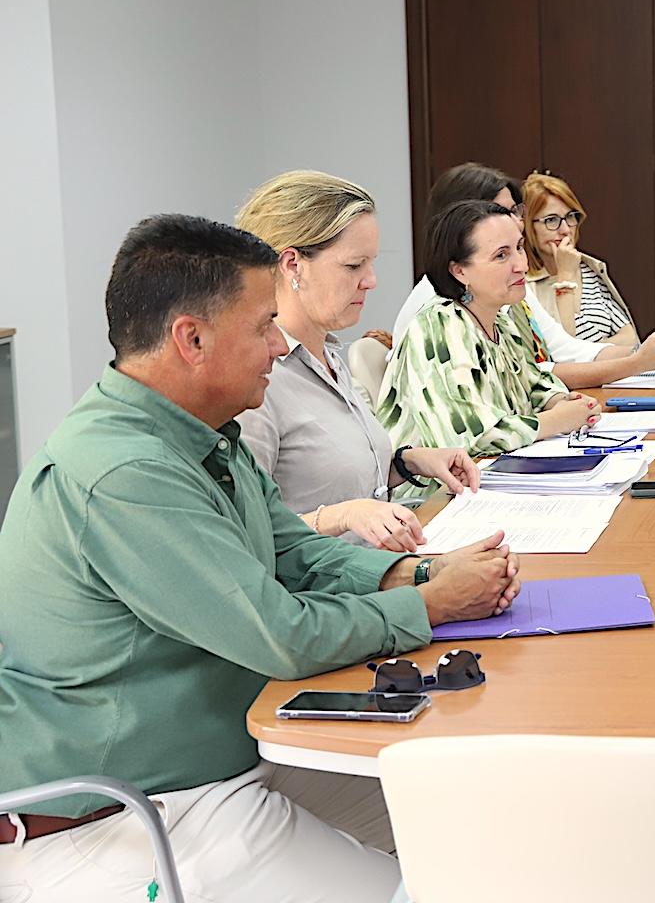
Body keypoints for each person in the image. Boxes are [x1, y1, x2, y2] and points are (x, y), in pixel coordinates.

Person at [0, 214, 523, 902]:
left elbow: (295, 551)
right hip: (122, 819)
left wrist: (418, 571)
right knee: (426, 888)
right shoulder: (122, 472)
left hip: (225, 768)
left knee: (470, 827)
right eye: (262, 327)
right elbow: (281, 635)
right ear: (192, 339)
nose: (280, 345)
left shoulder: (202, 434)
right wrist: (433, 602)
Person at [234, 170, 479, 551]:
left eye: (371, 263)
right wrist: (342, 516)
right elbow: (244, 532)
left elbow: (330, 476)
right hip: (326, 596)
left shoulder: (328, 352)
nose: (371, 280)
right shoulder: (257, 381)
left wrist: (408, 462)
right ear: (292, 264)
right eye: (354, 266)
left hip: (374, 570)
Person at [377, 200, 607, 492]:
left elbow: (534, 384)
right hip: (429, 502)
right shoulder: (439, 327)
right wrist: (557, 420)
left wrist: (563, 402)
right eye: (501, 255)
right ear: (459, 271)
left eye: (519, 248)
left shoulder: (501, 319)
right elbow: (469, 440)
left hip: (496, 480)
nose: (521, 265)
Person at [393, 162, 655, 389]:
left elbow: (562, 351)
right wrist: (637, 363)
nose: (515, 224)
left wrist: (651, 353)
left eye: (515, 212)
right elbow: (527, 383)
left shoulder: (507, 288)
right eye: (501, 213)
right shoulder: (436, 311)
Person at [522, 170, 639, 348]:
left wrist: (589, 355)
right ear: (528, 225)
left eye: (570, 217)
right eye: (551, 220)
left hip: (615, 374)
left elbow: (630, 338)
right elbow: (562, 350)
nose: (565, 230)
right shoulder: (524, 285)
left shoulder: (588, 268)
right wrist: (565, 275)